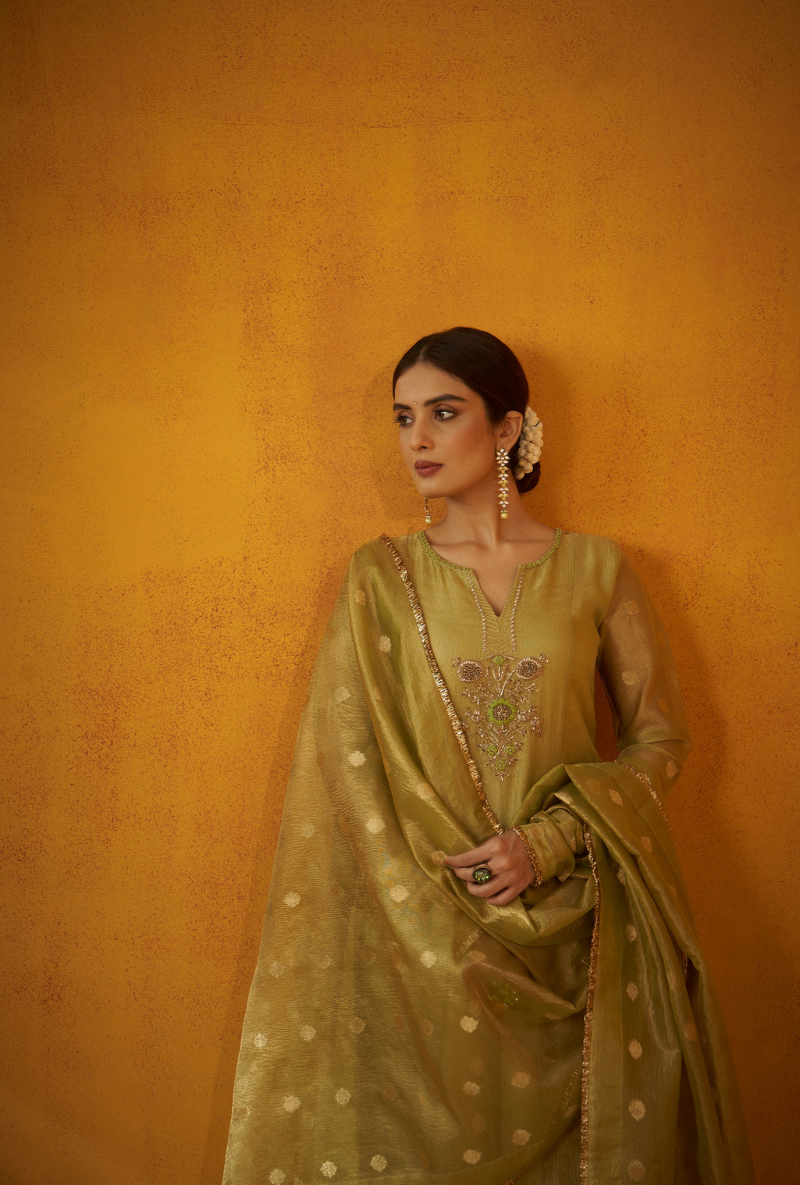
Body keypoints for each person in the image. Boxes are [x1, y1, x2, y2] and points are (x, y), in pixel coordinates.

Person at [222, 327, 754, 1185]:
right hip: (427, 945)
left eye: (443, 412)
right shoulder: (378, 581)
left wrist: (547, 840)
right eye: (403, 418)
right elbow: (346, 774)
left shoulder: (596, 569)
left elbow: (662, 737)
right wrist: (431, 896)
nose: (417, 440)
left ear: (506, 428)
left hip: (586, 936)